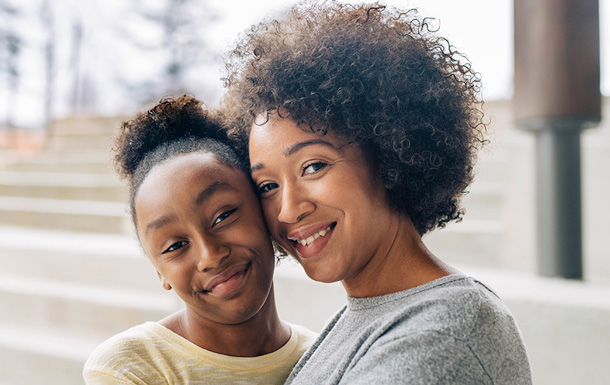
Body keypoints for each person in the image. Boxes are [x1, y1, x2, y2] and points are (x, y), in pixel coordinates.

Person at [220, 1, 533, 384]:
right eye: (268, 186)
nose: (287, 210)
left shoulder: (439, 332)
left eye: (313, 166)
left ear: (387, 157)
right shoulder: (371, 311)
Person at [82, 95, 316, 384]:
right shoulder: (132, 368)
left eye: (223, 216)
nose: (210, 256)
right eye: (175, 246)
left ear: (263, 210)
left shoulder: (323, 355)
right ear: (160, 271)